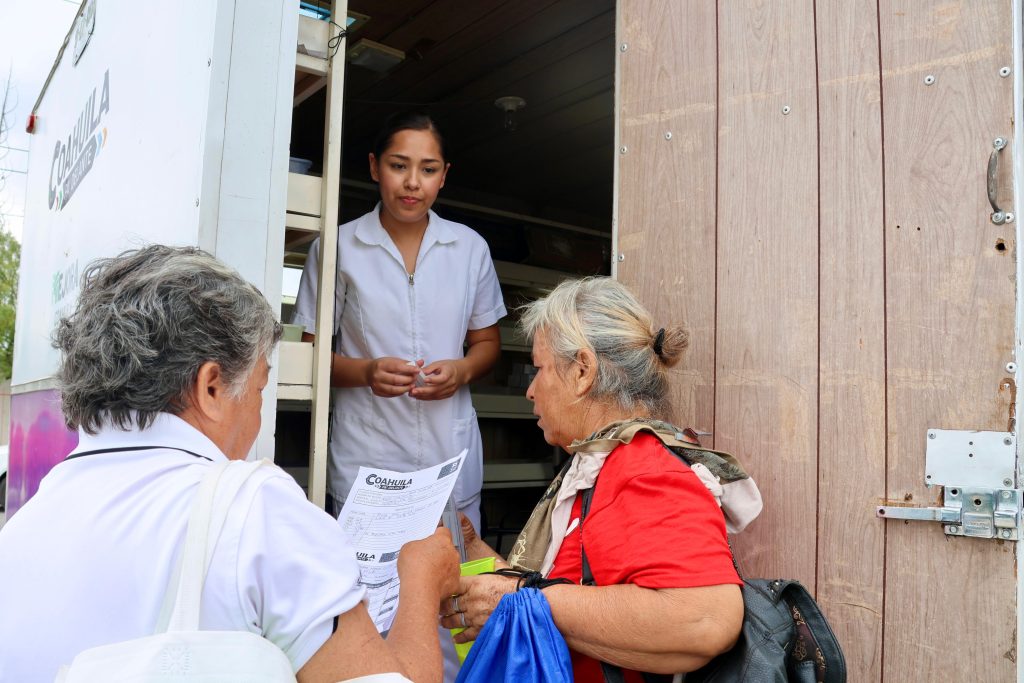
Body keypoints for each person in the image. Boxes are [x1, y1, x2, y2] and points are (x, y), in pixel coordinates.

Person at [0, 245, 459, 683]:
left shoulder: (24, 526)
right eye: (259, 389)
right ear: (212, 388)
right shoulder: (255, 510)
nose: (258, 416)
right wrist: (420, 578)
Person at [440, 277, 754, 682]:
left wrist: (513, 599)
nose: (531, 391)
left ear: (583, 371)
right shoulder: (601, 465)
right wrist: (474, 550)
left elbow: (706, 619)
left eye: (539, 370)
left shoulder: (642, 466)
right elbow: (572, 595)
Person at [292, 111, 505, 531]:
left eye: (427, 169)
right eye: (398, 165)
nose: (412, 182)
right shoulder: (338, 248)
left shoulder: (469, 249)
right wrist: (366, 372)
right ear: (374, 167)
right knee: (367, 591)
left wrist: (462, 369)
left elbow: (487, 343)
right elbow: (309, 356)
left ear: (443, 176)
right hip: (369, 461)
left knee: (454, 588)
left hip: (450, 456)